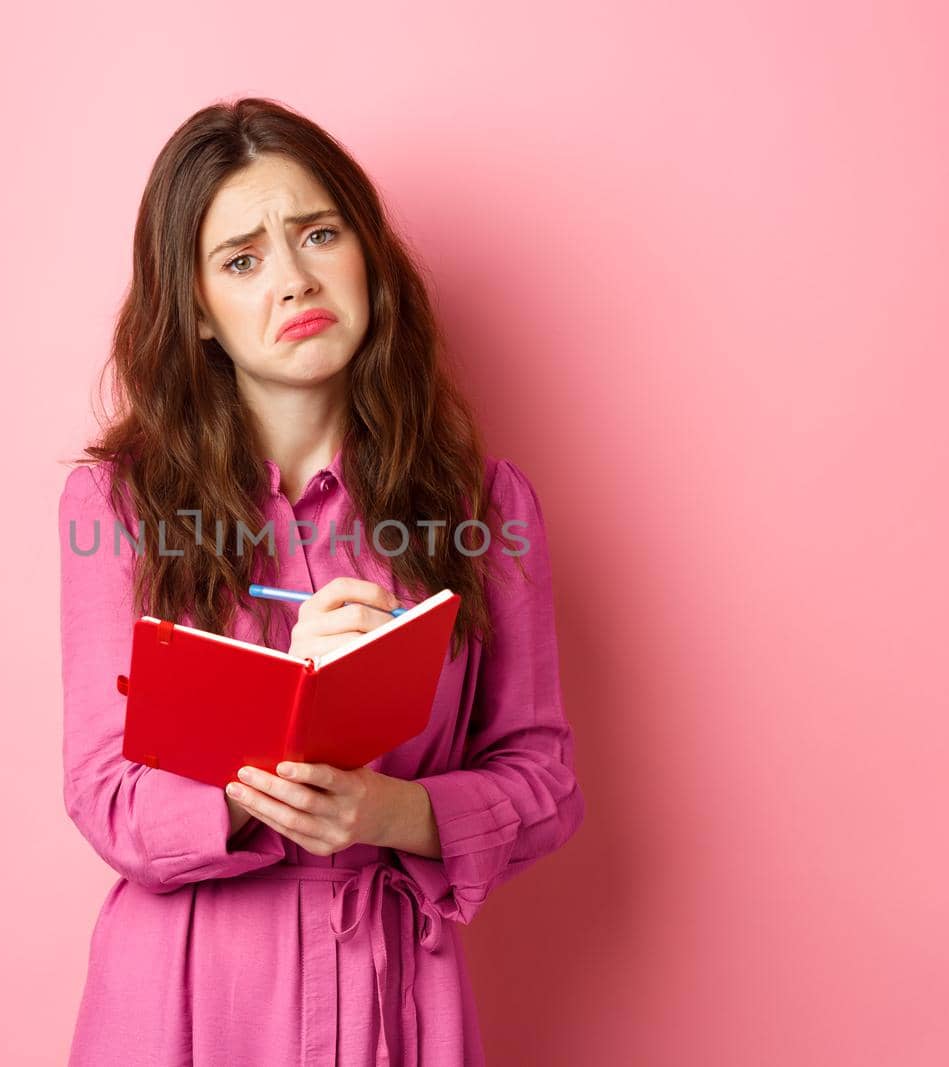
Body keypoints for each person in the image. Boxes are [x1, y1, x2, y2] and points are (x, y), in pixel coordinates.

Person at [58, 97, 584, 1066]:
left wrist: (390, 810)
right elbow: (105, 795)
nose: (293, 278)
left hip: (395, 995)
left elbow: (545, 781)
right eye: (242, 259)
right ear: (199, 312)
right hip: (186, 999)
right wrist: (281, 724)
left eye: (318, 232)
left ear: (367, 256)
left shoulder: (488, 504)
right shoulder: (117, 505)